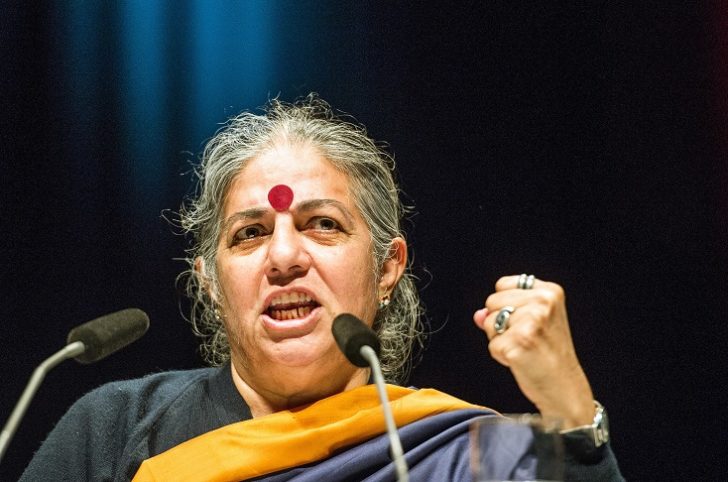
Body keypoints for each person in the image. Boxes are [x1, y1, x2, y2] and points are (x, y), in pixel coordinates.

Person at [20, 95, 623, 481]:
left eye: (323, 225)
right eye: (249, 234)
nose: (284, 256)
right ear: (210, 284)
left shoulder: (464, 450)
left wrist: (569, 406)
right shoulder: (115, 430)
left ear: (387, 268)